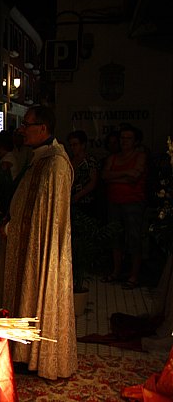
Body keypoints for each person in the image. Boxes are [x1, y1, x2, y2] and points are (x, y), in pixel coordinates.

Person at [0, 106, 77, 380]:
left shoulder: (55, 164)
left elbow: (45, 217)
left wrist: (12, 226)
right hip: (27, 243)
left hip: (41, 249)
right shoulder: (39, 159)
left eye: (26, 124)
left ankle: (37, 356)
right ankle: (22, 352)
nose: (21, 129)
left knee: (37, 289)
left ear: (43, 129)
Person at [101, 124, 147, 289]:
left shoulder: (140, 156)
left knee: (134, 237)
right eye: (122, 138)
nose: (124, 141)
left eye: (128, 138)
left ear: (135, 141)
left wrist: (116, 177)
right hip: (114, 201)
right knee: (115, 237)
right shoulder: (113, 158)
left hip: (133, 203)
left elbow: (135, 176)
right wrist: (125, 174)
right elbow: (105, 176)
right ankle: (116, 271)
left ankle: (134, 275)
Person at [67, 130, 99, 218]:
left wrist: (78, 195)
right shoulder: (69, 161)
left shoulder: (90, 161)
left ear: (83, 145)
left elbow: (93, 181)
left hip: (86, 201)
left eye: (75, 144)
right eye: (71, 145)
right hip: (71, 200)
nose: (72, 147)